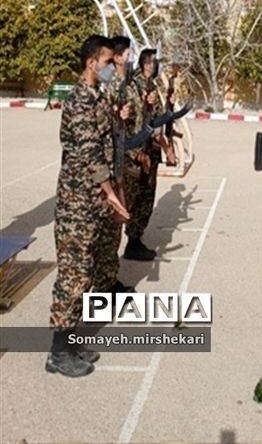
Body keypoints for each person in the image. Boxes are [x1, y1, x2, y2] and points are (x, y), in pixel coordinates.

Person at [47, 35, 130, 378]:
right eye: (109, 61)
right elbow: (90, 153)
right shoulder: (79, 100)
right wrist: (111, 193)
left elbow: (108, 141)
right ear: (91, 62)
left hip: (92, 201)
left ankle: (71, 341)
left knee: (86, 274)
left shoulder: (97, 96)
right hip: (77, 204)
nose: (113, 67)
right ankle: (57, 353)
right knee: (73, 275)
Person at [95, 35, 141, 293]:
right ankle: (104, 286)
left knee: (113, 231)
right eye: (108, 60)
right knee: (107, 230)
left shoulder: (122, 83)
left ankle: (109, 282)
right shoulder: (108, 85)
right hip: (107, 166)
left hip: (118, 159)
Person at [123, 49, 175, 260]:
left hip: (149, 153)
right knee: (131, 201)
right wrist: (137, 153)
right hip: (136, 155)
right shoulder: (132, 87)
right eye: (155, 63)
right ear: (147, 64)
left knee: (145, 199)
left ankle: (135, 241)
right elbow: (127, 125)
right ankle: (128, 243)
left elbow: (157, 119)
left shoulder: (151, 86)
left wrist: (169, 104)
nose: (157, 67)